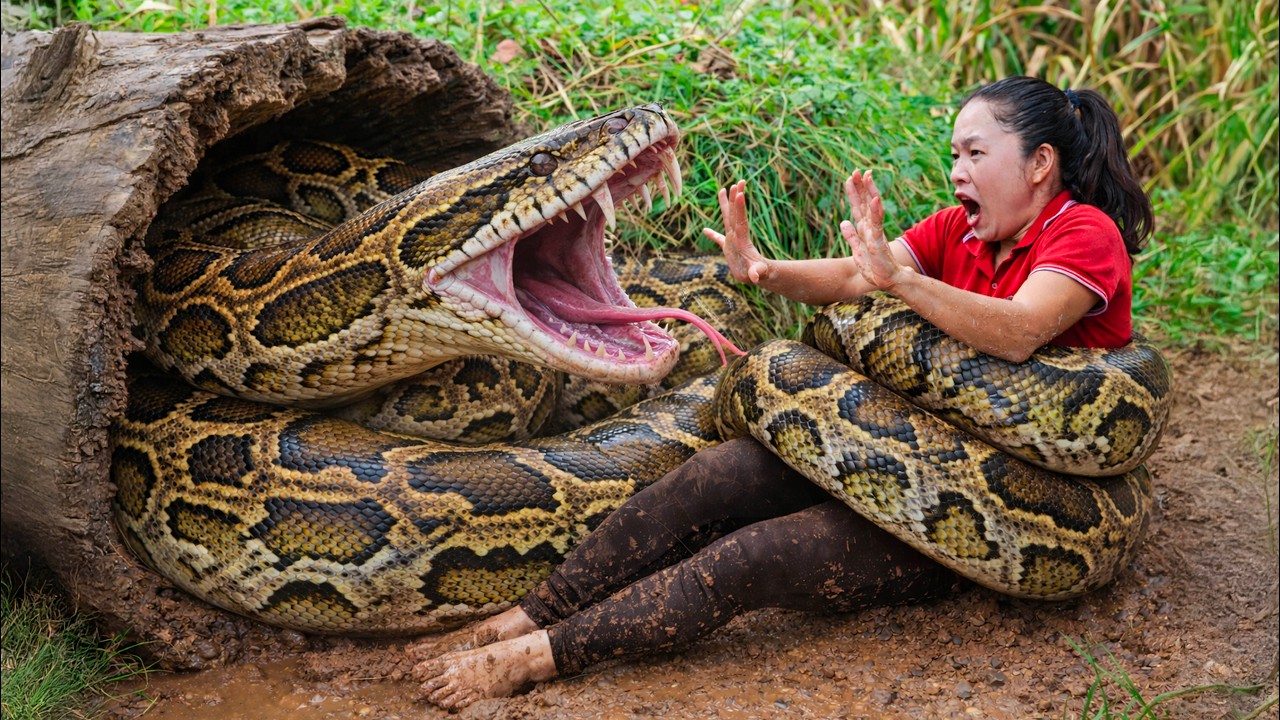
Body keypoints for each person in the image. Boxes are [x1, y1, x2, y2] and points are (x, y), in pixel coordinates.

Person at [411, 76, 1154, 710]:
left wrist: (901, 283)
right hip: (910, 445)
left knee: (754, 559)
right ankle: (528, 613)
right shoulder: (960, 233)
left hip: (1008, 496)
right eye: (954, 153)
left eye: (975, 154)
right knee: (710, 477)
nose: (956, 170)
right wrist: (763, 270)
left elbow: (1022, 333)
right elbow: (859, 274)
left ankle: (540, 657)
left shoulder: (1083, 234)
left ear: (1040, 163)